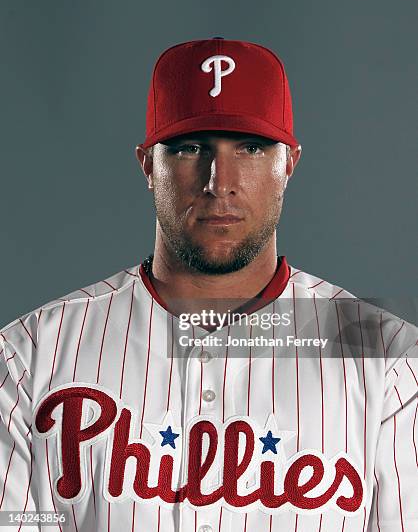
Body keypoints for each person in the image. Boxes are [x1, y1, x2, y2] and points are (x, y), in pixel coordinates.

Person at [0, 38, 416, 532]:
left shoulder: (390, 360)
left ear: (290, 162)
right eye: (190, 148)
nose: (220, 181)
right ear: (146, 164)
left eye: (252, 147)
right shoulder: (29, 355)